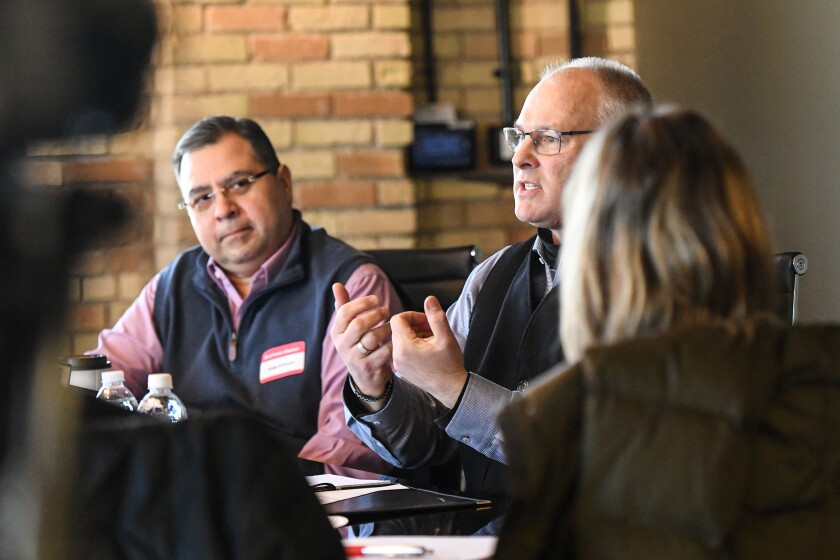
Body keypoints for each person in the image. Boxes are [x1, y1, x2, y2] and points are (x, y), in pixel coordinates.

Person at [494, 107, 840, 559]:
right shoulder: (826, 370)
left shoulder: (561, 415)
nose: (522, 155)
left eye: (549, 137)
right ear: (743, 230)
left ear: (592, 254)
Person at [330, 57, 653, 498]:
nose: (519, 157)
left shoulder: (663, 281)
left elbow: (598, 453)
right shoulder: (492, 276)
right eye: (520, 137)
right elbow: (425, 445)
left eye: (548, 139)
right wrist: (375, 386)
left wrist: (453, 386)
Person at [90, 116, 400, 473]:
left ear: (283, 183)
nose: (223, 210)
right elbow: (103, 374)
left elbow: (348, 451)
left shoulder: (351, 286)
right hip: (197, 508)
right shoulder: (170, 289)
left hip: (308, 511)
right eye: (202, 198)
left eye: (238, 184)